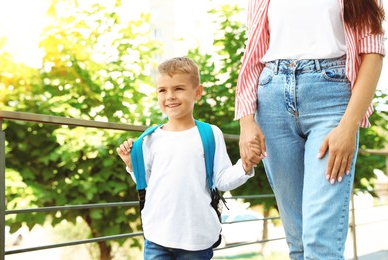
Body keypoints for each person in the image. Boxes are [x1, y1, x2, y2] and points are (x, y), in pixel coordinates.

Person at [235, 0, 385, 259]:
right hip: (271, 99)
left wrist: (349, 126)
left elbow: (372, 53)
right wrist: (246, 121)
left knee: (320, 241)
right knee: (298, 239)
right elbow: (253, 54)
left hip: (332, 100)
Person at [117, 57, 258, 260]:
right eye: (162, 90)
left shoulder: (210, 134)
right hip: (157, 236)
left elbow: (221, 180)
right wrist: (131, 164)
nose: (170, 96)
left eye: (179, 89)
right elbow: (146, 184)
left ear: (197, 92)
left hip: (196, 238)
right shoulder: (148, 139)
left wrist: (244, 166)